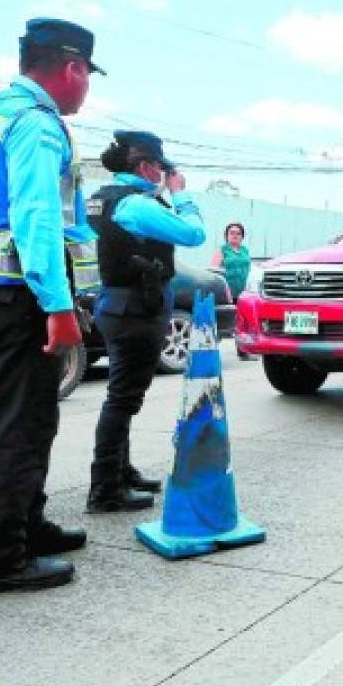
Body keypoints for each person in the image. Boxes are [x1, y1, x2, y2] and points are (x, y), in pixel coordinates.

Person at [0, 17, 102, 595]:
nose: (87, 86)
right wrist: (58, 304)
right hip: (19, 293)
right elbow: (36, 215)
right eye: (87, 74)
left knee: (27, 417)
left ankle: (25, 528)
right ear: (71, 68)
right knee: (16, 426)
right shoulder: (36, 124)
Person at [85, 131, 205, 512]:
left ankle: (120, 471)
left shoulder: (103, 199)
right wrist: (181, 195)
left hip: (117, 303)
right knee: (123, 398)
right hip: (136, 309)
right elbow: (193, 234)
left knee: (123, 395)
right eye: (160, 166)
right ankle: (105, 489)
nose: (163, 173)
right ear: (143, 166)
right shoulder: (136, 206)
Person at [211, 222, 251, 300]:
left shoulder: (245, 250)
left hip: (244, 292)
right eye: (232, 233)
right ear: (227, 236)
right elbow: (213, 272)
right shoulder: (222, 250)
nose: (235, 235)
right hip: (227, 292)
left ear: (242, 237)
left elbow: (248, 269)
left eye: (238, 233)